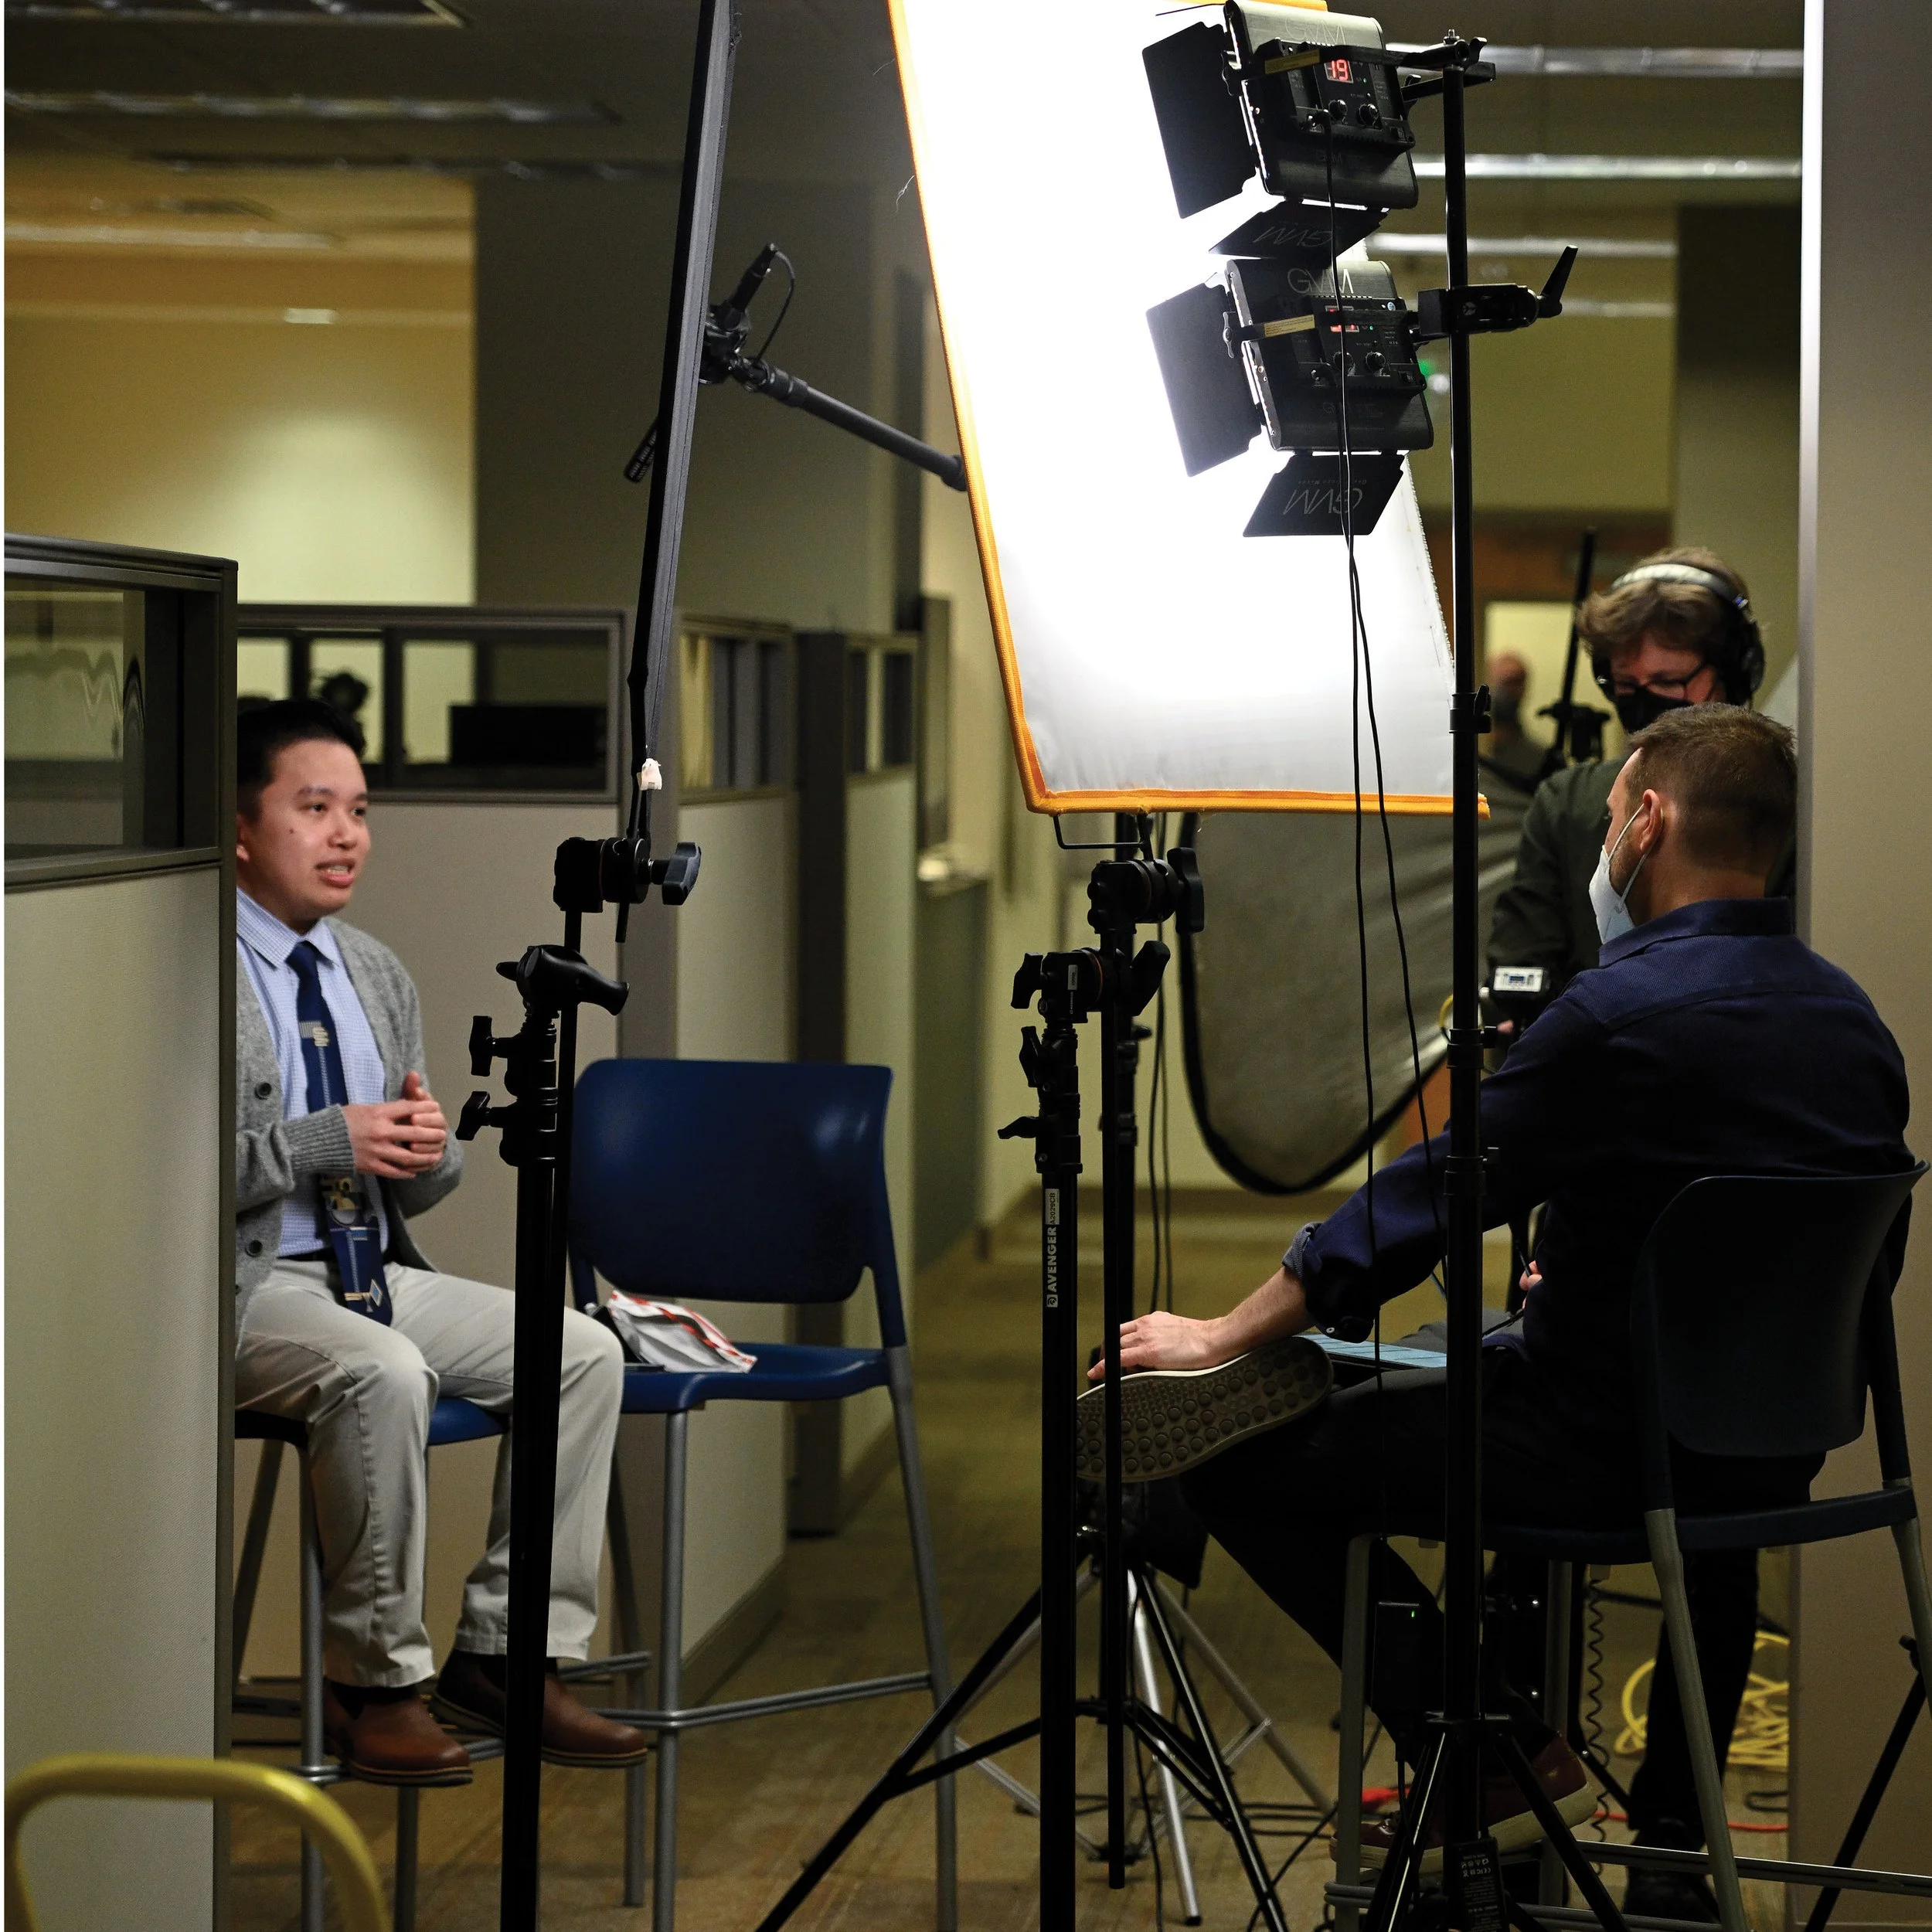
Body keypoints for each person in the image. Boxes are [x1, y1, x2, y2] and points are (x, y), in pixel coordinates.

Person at [1088, 706, 1912, 1876]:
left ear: (1646, 821)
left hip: (1603, 1447)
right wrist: (1620, 1271)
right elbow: (1834, 1250)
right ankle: (1618, 1834)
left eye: (1617, 808)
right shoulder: (1851, 1019)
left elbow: (1417, 1206)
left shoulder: (1616, 1017)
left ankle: (1496, 1750)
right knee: (1440, 1360)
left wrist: (1222, 1330)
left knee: (1236, 1455)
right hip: (1777, 1452)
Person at [234, 697, 648, 1785]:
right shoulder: (192, 967)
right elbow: (150, 1174)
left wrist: (422, 1155)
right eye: (313, 808)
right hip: (236, 1288)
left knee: (582, 1351)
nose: (346, 835)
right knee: (382, 1372)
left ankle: (512, 1653)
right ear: (240, 827)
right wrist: (333, 1139)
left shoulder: (369, 968)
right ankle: (378, 1682)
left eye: (359, 810)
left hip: (368, 1266)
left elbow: (405, 1181)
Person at [1485, 547, 1787, 1910]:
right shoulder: (1565, 808)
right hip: (1595, 1168)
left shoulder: (1766, 806)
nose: (1646, 721)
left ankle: (1674, 1841)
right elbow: (1522, 982)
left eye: (1675, 690)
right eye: (1624, 699)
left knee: (1716, 1537)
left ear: (1733, 676)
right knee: (1522, 1476)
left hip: (1741, 1221)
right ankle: (1520, 1758)